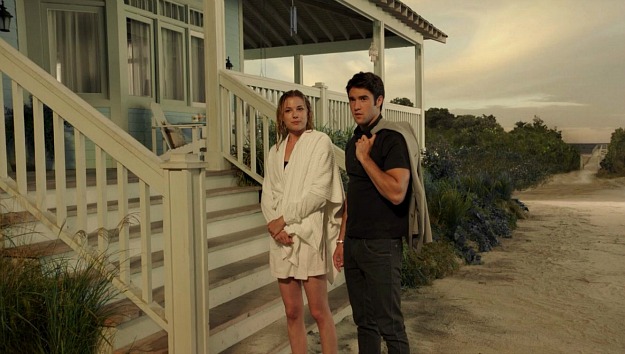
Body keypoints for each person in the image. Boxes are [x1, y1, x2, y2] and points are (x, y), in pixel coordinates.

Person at [333, 72, 432, 354]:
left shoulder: (391, 139)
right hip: (354, 243)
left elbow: (396, 191)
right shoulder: (355, 141)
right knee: (364, 323)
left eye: (363, 99)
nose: (356, 106)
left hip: (381, 245)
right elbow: (353, 195)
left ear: (379, 101)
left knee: (390, 325)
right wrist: (341, 241)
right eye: (352, 99)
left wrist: (365, 159)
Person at [261, 90, 345, 354]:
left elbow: (319, 193)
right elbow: (268, 193)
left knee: (319, 311)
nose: (295, 114)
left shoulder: (320, 142)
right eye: (288, 110)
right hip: (282, 239)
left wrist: (284, 221)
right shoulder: (275, 151)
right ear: (281, 117)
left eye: (300, 109)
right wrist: (276, 228)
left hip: (308, 235)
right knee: (292, 311)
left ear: (308, 113)